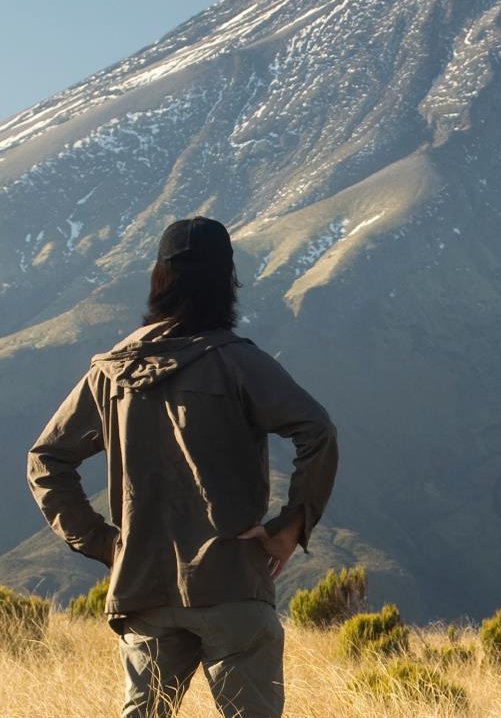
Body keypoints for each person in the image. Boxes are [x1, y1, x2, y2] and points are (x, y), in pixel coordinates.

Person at [27, 216, 339, 717]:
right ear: (227, 284)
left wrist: (106, 543)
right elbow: (317, 431)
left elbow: (46, 459)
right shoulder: (238, 362)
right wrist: (291, 526)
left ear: (159, 280)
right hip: (230, 581)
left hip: (142, 589)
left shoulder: (111, 372)